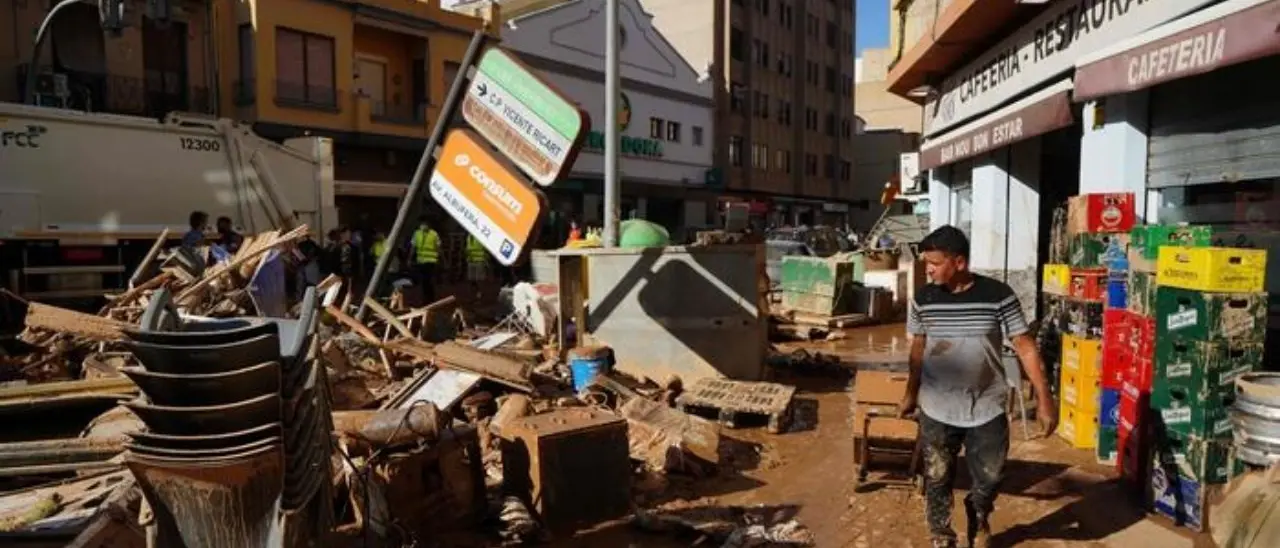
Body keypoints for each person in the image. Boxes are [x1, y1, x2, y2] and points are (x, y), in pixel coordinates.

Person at [900, 226, 1055, 548]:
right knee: (937, 474)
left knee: (991, 476)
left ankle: (978, 509)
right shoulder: (924, 298)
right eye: (926, 263)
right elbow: (918, 347)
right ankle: (941, 534)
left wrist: (1044, 399)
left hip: (987, 405)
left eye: (935, 263)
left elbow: (1025, 346)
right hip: (936, 405)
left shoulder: (998, 295)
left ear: (959, 262)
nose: (928, 269)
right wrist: (910, 393)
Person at [410, 217, 440, 304]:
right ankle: (426, 298)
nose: (423, 226)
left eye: (425, 224)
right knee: (424, 281)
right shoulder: (417, 233)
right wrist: (410, 258)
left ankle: (430, 298)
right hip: (421, 261)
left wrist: (441, 259)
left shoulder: (434, 234)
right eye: (422, 224)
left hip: (431, 261)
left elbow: (438, 247)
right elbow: (413, 247)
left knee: (428, 280)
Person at [465, 234, 488, 298]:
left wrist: (486, 259)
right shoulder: (468, 237)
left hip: (479, 260)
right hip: (470, 260)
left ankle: (480, 292)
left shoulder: (480, 236)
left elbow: (485, 248)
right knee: (471, 279)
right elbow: (467, 248)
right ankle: (474, 293)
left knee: (479, 279)